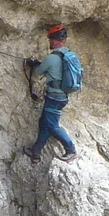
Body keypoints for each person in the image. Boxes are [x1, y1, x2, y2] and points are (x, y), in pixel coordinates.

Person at [23, 24, 81, 163]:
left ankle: (71, 150)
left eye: (50, 39)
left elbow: (37, 73)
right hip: (62, 96)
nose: (50, 42)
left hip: (54, 98)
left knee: (52, 126)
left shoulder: (51, 58)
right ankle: (35, 152)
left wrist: (34, 64)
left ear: (54, 41)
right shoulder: (70, 55)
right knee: (44, 123)